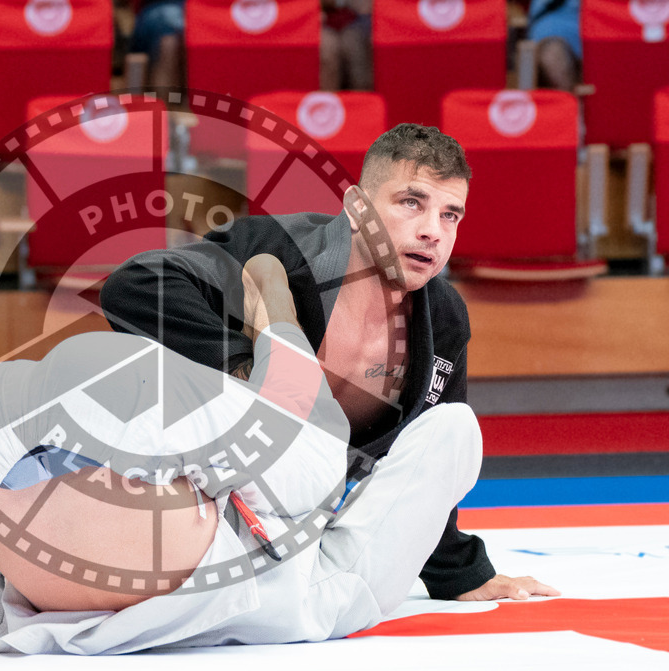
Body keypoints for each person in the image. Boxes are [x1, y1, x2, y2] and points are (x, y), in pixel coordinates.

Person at [0, 254, 489, 654]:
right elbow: (439, 442)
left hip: (24, 542)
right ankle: (277, 331)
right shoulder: (318, 582)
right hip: (112, 560)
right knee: (418, 441)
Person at [100, 123, 560, 603]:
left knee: (453, 425)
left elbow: (425, 456)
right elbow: (135, 284)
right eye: (411, 203)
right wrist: (243, 370)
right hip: (205, 491)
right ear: (358, 207)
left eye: (450, 215)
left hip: (310, 523)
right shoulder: (275, 247)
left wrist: (461, 574)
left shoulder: (442, 315)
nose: (432, 231)